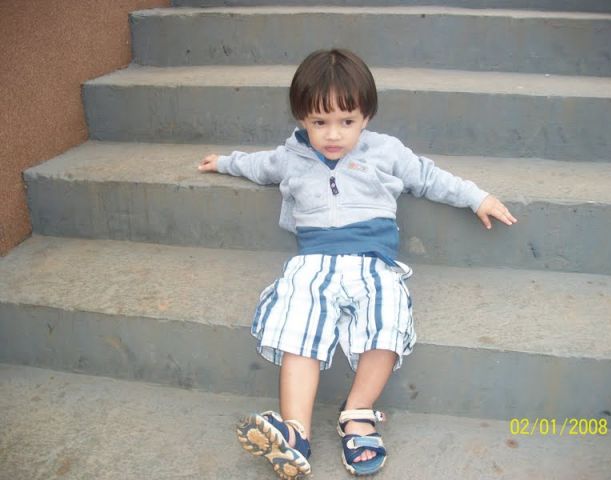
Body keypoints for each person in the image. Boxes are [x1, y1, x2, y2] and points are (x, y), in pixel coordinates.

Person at [198, 48, 517, 479]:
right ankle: (294, 433)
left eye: (346, 121)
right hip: (313, 263)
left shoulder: (386, 152)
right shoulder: (291, 156)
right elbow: (258, 165)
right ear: (301, 119)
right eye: (319, 123)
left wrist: (477, 197)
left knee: (386, 323)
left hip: (373, 263)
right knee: (298, 325)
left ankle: (358, 413)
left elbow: (429, 177)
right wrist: (223, 162)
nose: (333, 135)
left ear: (366, 116)